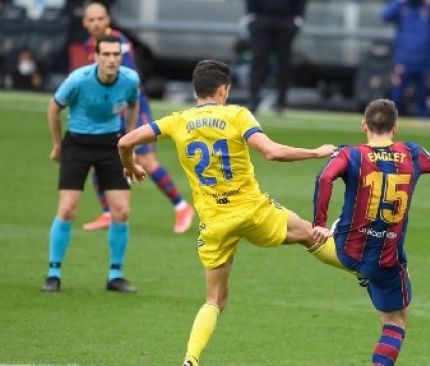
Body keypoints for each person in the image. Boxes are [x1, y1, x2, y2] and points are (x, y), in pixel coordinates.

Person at [117, 60, 352, 366]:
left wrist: (130, 164)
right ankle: (366, 270)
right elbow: (271, 152)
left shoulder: (176, 121)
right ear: (223, 89)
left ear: (196, 90)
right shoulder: (236, 115)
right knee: (310, 235)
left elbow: (124, 141)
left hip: (214, 223)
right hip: (253, 211)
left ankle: (191, 358)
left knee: (214, 300)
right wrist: (317, 152)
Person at [312, 99, 430, 366]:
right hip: (385, 259)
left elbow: (324, 178)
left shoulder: (351, 154)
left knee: (337, 230)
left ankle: (357, 268)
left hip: (346, 249)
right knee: (396, 320)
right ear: (395, 127)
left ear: (364, 126)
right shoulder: (411, 153)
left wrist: (319, 222)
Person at [81, 1, 195, 233]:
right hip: (107, 109)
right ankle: (108, 213)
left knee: (146, 161)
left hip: (131, 105)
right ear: (84, 23)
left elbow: (128, 78)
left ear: (108, 19)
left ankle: (182, 206)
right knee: (96, 160)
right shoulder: (88, 44)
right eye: (91, 20)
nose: (96, 23)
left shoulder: (119, 43)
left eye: (100, 18)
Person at [42, 35, 140, 293]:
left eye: (115, 54)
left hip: (111, 145)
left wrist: (129, 138)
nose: (111, 59)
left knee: (121, 211)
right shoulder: (78, 80)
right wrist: (57, 145)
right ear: (95, 57)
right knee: (67, 209)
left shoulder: (130, 79)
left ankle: (115, 276)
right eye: (106, 54)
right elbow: (53, 108)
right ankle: (53, 273)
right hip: (78, 144)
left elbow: (133, 102)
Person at [381, 0, 430, 118]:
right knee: (397, 97)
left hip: (424, 60)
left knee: (422, 97)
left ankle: (422, 124)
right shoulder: (402, 6)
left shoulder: (429, 7)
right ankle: (394, 125)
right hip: (403, 60)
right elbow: (385, 16)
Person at [246, 0, 306, 114]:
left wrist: (299, 16)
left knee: (284, 64)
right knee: (258, 62)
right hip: (262, 18)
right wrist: (251, 14)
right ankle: (253, 100)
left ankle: (281, 103)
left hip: (286, 20)